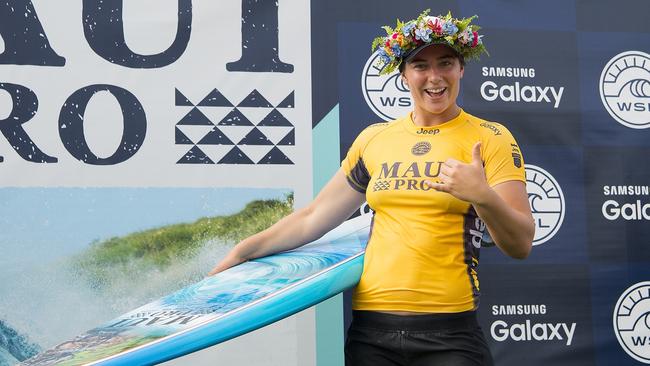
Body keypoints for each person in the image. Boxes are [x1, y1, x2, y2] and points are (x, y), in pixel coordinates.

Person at [209, 9, 534, 366]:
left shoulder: (491, 138)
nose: (434, 77)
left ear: (461, 69)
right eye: (420, 66)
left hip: (451, 335)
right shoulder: (374, 139)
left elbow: (520, 244)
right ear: (404, 74)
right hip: (371, 335)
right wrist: (244, 250)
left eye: (445, 63)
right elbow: (314, 217)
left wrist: (482, 195)